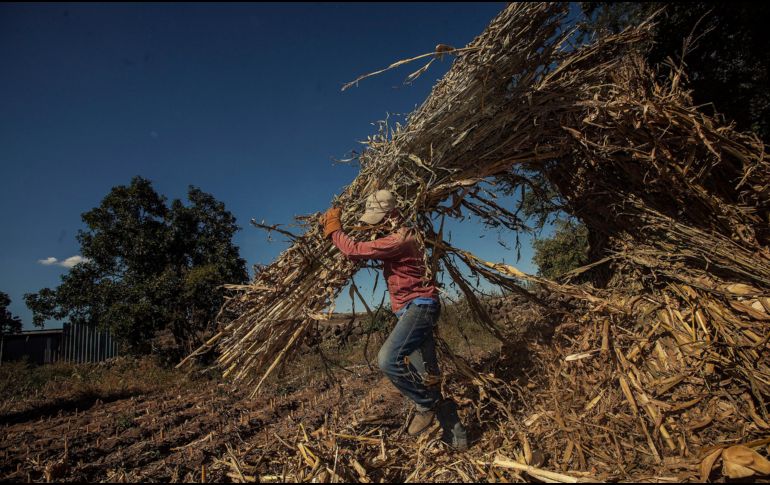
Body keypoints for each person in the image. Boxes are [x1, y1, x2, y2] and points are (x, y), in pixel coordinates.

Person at [320, 189, 468, 450]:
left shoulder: (400, 239)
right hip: (416, 309)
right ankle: (458, 440)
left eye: (378, 219)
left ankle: (424, 406)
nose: (375, 224)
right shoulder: (405, 234)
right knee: (429, 378)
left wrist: (334, 229)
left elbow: (354, 250)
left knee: (388, 359)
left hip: (419, 308)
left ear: (391, 214)